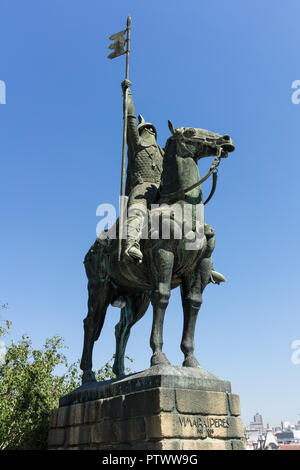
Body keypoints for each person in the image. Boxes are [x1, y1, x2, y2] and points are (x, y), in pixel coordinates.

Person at [121, 80, 164, 262]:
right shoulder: (136, 144)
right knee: (137, 212)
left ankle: (202, 260)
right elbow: (130, 119)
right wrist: (127, 94)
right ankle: (131, 244)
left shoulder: (163, 152)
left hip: (163, 191)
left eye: (153, 129)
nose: (151, 131)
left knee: (191, 217)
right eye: (147, 128)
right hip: (141, 189)